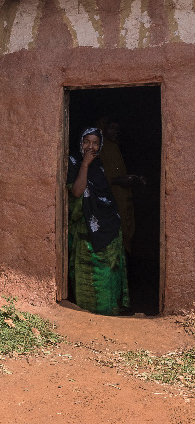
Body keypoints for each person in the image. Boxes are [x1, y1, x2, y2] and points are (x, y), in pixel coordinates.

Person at [67, 127, 130, 315]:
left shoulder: (101, 166)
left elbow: (106, 197)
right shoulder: (73, 162)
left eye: (95, 143)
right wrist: (85, 165)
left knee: (109, 273)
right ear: (80, 143)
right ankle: (87, 310)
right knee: (86, 276)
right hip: (85, 230)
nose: (90, 147)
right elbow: (77, 192)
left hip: (108, 226)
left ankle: (109, 309)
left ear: (100, 145)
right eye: (86, 142)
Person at [99, 118, 144, 254]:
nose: (115, 132)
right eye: (111, 128)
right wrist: (119, 181)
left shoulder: (114, 147)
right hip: (110, 199)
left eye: (117, 130)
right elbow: (99, 178)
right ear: (103, 128)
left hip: (122, 197)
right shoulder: (100, 148)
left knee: (125, 231)